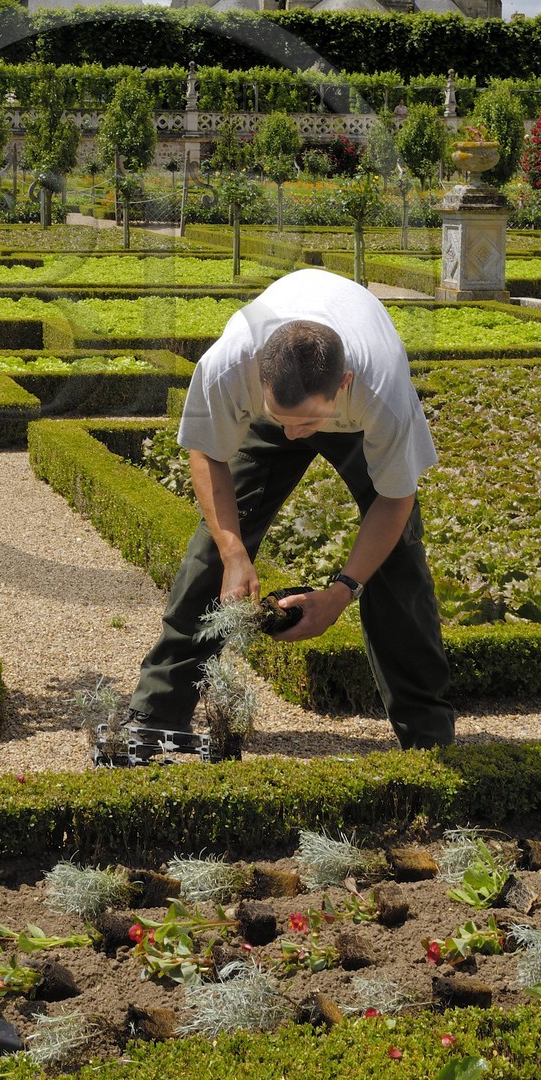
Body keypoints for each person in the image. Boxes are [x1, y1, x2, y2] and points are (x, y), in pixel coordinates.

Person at [129, 268, 454, 751]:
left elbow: (395, 500)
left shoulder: (381, 389)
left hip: (358, 424)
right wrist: (234, 551)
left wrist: (342, 593)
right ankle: (154, 716)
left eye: (309, 422)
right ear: (257, 375)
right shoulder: (226, 366)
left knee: (399, 564)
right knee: (212, 553)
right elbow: (208, 453)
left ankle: (427, 737)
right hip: (295, 399)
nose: (297, 436)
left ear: (343, 384)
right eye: (285, 421)